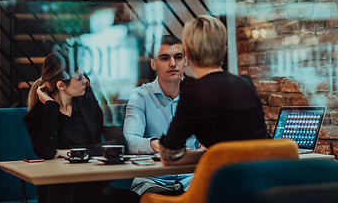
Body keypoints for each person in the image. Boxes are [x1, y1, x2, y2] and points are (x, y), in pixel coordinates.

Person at [23, 50, 139, 203]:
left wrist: (72, 152)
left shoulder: (91, 101)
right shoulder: (37, 116)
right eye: (79, 77)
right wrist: (51, 107)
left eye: (84, 75)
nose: (85, 80)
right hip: (59, 194)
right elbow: (46, 152)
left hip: (94, 188)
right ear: (61, 85)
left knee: (131, 199)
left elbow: (119, 142)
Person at [159, 15, 270, 166]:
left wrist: (212, 153)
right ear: (224, 51)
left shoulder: (194, 91)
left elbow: (168, 155)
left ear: (187, 53)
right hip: (264, 182)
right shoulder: (246, 84)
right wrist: (216, 150)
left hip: (228, 185)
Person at [123, 35, 197, 195]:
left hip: (193, 177)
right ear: (153, 63)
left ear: (185, 61)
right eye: (164, 58)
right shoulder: (140, 96)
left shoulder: (199, 95)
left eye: (178, 57)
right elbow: (129, 140)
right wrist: (156, 144)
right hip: (152, 178)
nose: (173, 64)